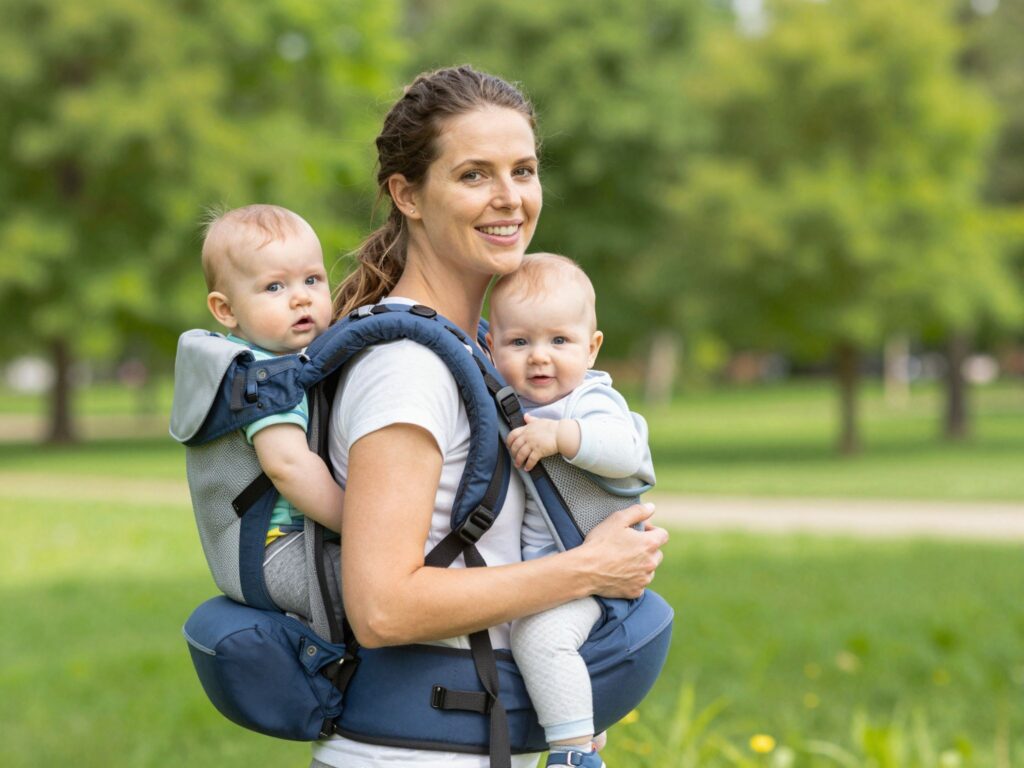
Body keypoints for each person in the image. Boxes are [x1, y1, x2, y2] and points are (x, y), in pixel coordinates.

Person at [317, 66, 667, 768]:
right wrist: (588, 571)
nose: (510, 198)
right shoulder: (408, 370)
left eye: (524, 170)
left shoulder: (475, 351)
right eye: (474, 175)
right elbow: (383, 606)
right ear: (406, 194)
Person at [486, 252, 656, 767]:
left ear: (592, 347)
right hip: (553, 571)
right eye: (519, 342)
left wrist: (562, 436)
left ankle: (574, 753)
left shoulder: (588, 401)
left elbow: (627, 451)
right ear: (490, 346)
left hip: (597, 571)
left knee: (540, 639)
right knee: (529, 642)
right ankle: (587, 724)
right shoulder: (507, 401)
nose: (540, 357)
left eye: (559, 341)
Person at [201, 203, 344, 619]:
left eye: (312, 279)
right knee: (378, 585)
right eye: (274, 288)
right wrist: (360, 523)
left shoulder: (270, 363)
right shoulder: (263, 379)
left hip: (276, 546)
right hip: (278, 548)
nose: (301, 297)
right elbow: (288, 467)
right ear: (226, 310)